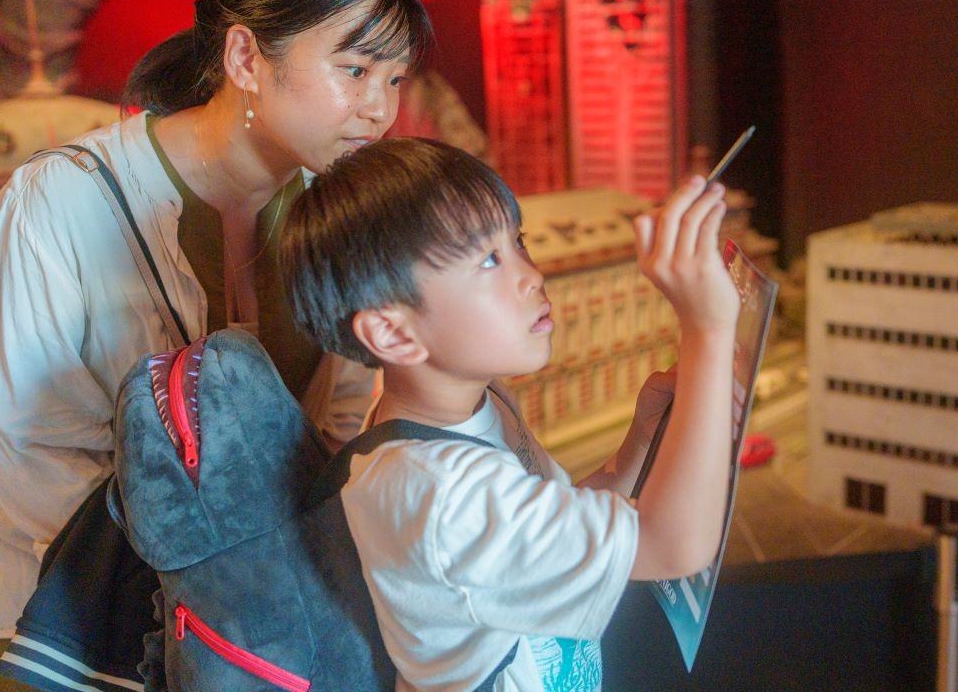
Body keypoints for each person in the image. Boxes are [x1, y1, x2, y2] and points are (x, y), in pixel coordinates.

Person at [0, 0, 433, 651]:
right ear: (245, 58)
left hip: (261, 635)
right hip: (81, 628)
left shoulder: (340, 213)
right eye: (355, 71)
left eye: (394, 79)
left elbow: (339, 425)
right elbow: (30, 456)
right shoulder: (62, 200)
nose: (380, 110)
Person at [279, 138, 741, 692]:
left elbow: (546, 523)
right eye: (488, 260)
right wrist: (707, 328)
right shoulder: (437, 494)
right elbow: (672, 545)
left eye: (517, 241)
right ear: (393, 333)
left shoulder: (481, 403)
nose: (531, 275)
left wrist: (638, 447)